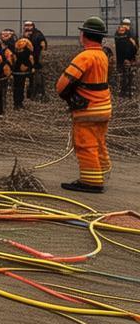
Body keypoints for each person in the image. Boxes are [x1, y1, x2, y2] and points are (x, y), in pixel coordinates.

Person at [57, 17, 112, 193]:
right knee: (98, 141)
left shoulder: (85, 56)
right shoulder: (102, 54)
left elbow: (63, 83)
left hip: (88, 109)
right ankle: (102, 171)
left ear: (84, 35)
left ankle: (91, 182)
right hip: (104, 107)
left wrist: (66, 94)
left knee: (84, 144)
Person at [10, 35, 37, 109]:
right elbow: (30, 61)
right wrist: (30, 67)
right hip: (19, 72)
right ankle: (17, 103)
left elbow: (30, 61)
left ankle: (18, 103)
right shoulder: (26, 52)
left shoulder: (20, 52)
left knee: (19, 88)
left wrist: (29, 67)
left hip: (19, 72)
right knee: (18, 88)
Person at [23, 20, 48, 98]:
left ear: (33, 26)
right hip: (26, 60)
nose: (27, 27)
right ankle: (30, 94)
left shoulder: (38, 34)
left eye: (29, 25)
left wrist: (42, 56)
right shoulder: (24, 35)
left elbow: (43, 44)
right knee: (29, 77)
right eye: (26, 26)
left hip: (37, 60)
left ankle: (38, 93)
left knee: (37, 77)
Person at [114, 19, 137, 98]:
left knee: (121, 75)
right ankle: (129, 93)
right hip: (128, 58)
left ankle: (122, 92)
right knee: (129, 75)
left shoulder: (117, 32)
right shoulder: (130, 33)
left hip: (119, 59)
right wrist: (131, 57)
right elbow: (133, 46)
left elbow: (116, 44)